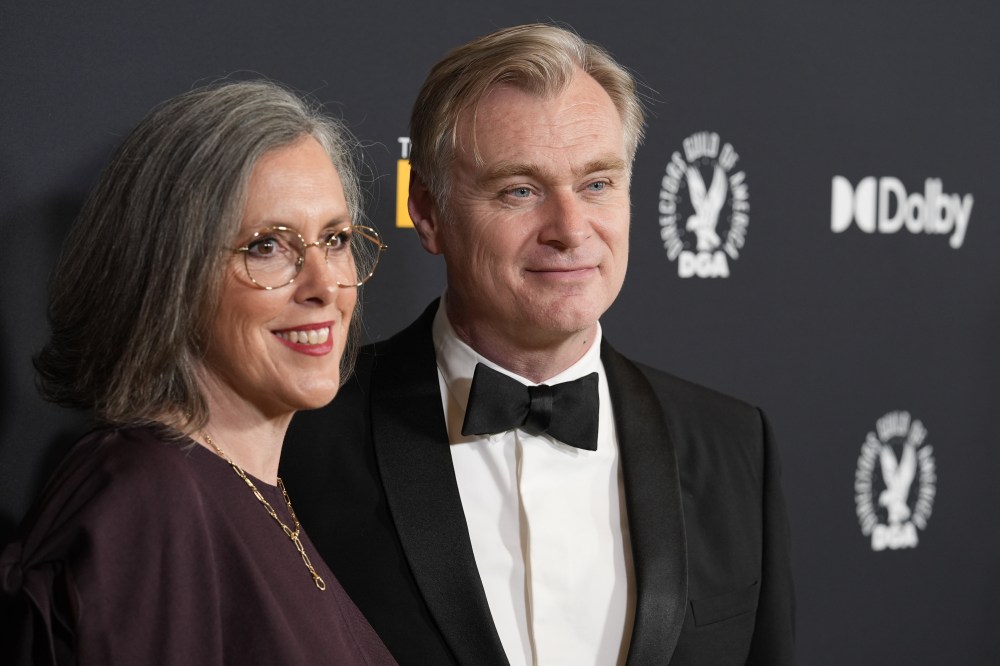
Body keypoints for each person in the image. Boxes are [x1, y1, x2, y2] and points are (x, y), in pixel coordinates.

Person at [282, 23, 795, 666]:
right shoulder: (301, 439)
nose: (571, 229)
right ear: (429, 214)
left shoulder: (734, 445)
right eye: (520, 190)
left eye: (597, 184)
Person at [0, 80, 395, 665]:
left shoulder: (244, 488)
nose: (325, 286)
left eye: (334, 239)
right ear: (168, 274)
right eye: (267, 247)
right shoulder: (149, 499)